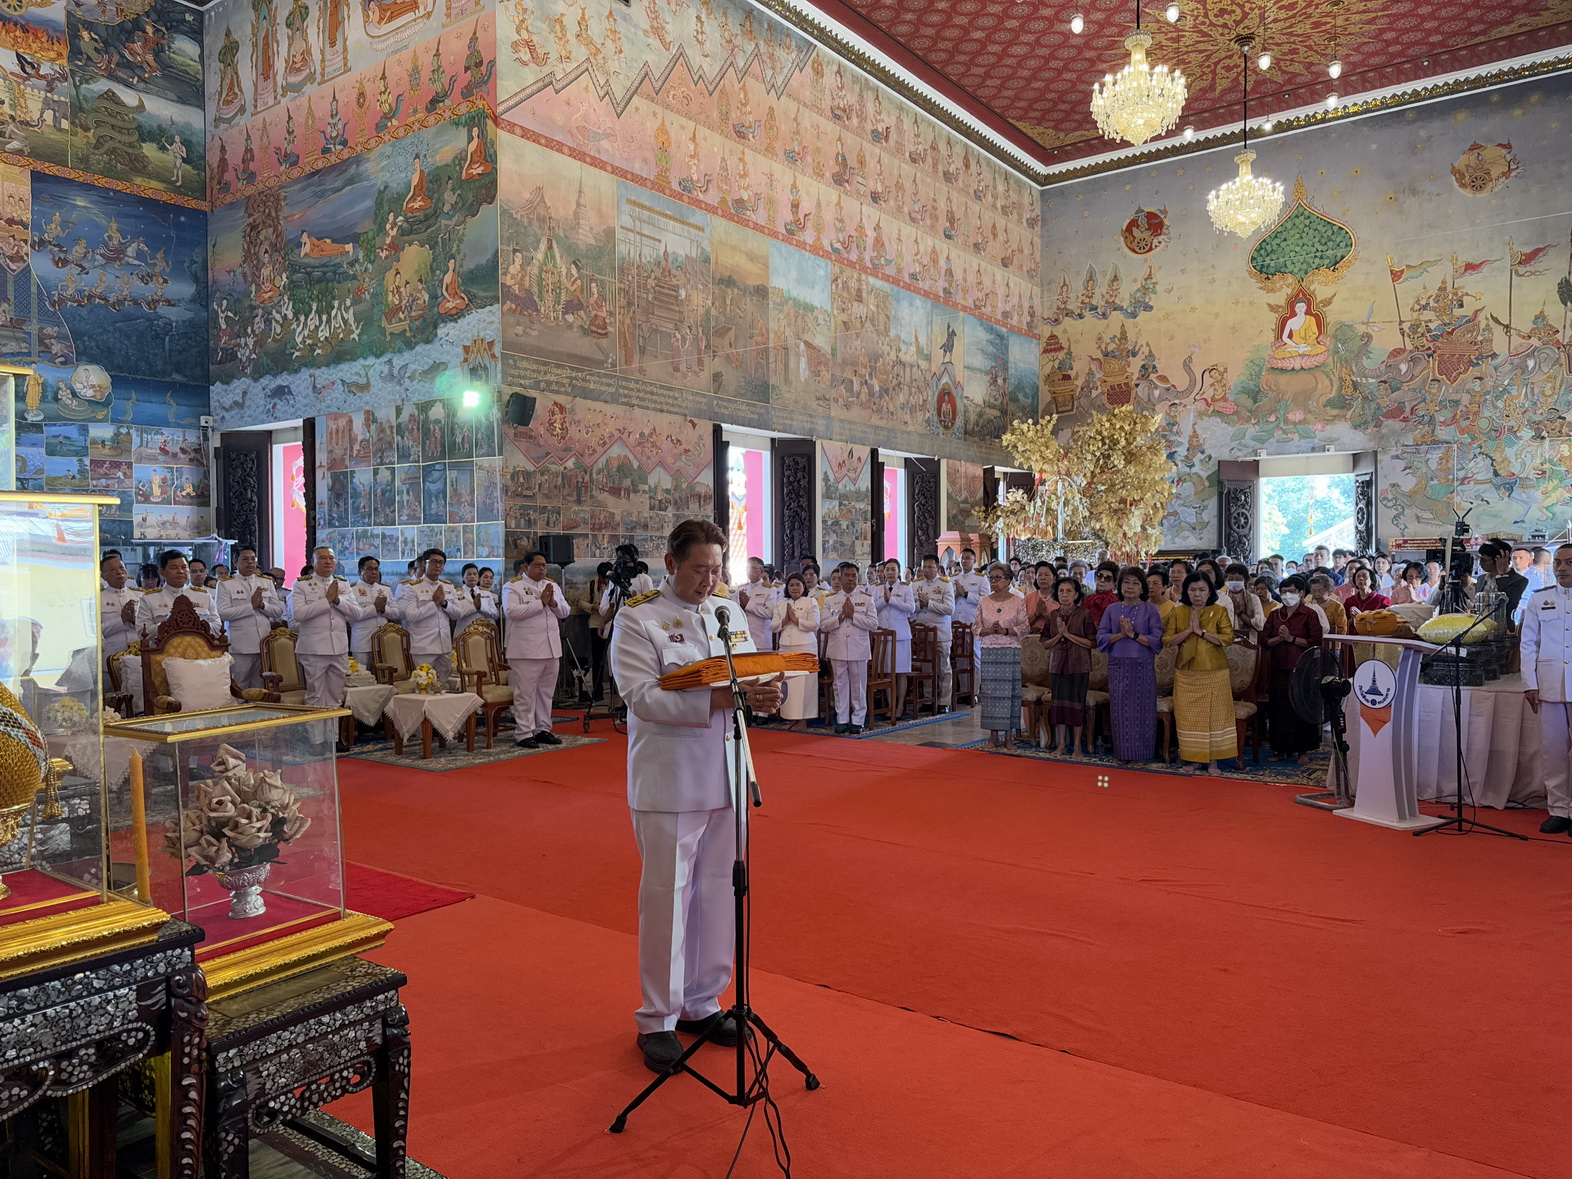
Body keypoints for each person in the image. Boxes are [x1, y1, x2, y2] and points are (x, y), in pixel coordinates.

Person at [608, 519, 782, 1074]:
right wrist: (721, 700)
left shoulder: (727, 612)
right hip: (672, 778)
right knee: (669, 895)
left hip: (727, 771)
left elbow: (747, 674)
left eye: (716, 568)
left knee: (717, 893)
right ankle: (657, 1018)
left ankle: (702, 1001)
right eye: (699, 569)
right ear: (671, 563)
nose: (710, 580)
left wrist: (764, 693)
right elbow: (642, 696)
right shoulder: (639, 619)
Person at [1522, 544, 1572, 835]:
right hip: (1549, 684)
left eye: (1569, 563)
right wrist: (1529, 682)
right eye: (1558, 563)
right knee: (1553, 752)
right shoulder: (1540, 599)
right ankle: (1559, 810)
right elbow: (1529, 643)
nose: (1562, 568)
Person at [1165, 573, 1236, 775]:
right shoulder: (1178, 612)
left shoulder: (1219, 610)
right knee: (1188, 717)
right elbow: (1167, 640)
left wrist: (1202, 632)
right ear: (1186, 592)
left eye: (1202, 590)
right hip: (1186, 672)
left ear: (1210, 591)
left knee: (1215, 717)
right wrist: (1189, 631)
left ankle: (1213, 761)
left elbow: (1228, 638)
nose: (1197, 594)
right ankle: (1193, 759)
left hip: (1214, 671)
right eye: (1192, 590)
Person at [503, 551, 571, 748]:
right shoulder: (513, 586)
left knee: (545, 693)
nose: (542, 569)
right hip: (526, 650)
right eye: (538, 565)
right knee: (525, 694)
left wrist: (553, 603)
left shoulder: (552, 585)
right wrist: (540, 602)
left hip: (551, 648)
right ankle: (524, 732)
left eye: (544, 565)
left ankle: (542, 729)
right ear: (526, 567)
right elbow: (512, 612)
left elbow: (565, 612)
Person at [1097, 567, 1164, 764]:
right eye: (1126, 582)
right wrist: (1120, 634)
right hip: (1118, 665)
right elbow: (1101, 636)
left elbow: (1157, 640)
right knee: (1120, 710)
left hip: (1142, 666)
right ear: (1120, 586)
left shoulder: (1150, 609)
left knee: (1142, 710)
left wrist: (1133, 635)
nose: (1130, 587)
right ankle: (1123, 754)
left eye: (1135, 583)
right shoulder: (1112, 609)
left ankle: (1141, 755)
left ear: (1142, 587)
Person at [287, 546, 364, 708]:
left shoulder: (343, 584)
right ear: (313, 562)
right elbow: (299, 614)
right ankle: (316, 726)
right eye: (322, 558)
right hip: (314, 649)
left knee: (335, 697)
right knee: (315, 696)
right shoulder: (302, 585)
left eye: (331, 558)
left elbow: (358, 614)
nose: (328, 562)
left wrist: (338, 601)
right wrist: (326, 601)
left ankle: (332, 727)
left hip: (339, 648)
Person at [1261, 574, 1324, 765]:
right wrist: (1279, 639)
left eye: (1291, 591)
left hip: (1302, 668)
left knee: (1300, 708)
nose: (1287, 595)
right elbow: (1264, 640)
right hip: (1279, 666)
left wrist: (1291, 639)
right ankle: (1281, 749)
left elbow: (1315, 641)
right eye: (1283, 592)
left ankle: (1303, 751)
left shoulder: (1309, 614)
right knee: (1279, 709)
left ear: (1301, 593)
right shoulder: (1275, 614)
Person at [819, 561, 879, 734]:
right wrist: (839, 618)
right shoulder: (830, 599)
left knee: (858, 685)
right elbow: (823, 625)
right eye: (847, 575)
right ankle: (842, 719)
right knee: (839, 685)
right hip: (837, 647)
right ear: (840, 578)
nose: (851, 579)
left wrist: (853, 616)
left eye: (854, 576)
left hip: (858, 648)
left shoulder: (866, 599)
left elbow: (873, 624)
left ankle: (858, 720)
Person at [217, 545, 286, 689]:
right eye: (245, 559)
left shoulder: (266, 581)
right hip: (241, 645)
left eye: (253, 559)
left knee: (260, 686)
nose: (250, 562)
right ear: (235, 562)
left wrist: (262, 605)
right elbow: (223, 613)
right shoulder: (226, 584)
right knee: (240, 685)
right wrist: (251, 607)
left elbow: (278, 611)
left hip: (263, 644)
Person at [975, 562, 1027, 748]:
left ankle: (1009, 736)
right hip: (989, 650)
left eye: (998, 578)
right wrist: (988, 630)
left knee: (1010, 695)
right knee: (991, 695)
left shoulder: (1018, 601)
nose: (993, 581)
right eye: (991, 578)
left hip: (1010, 650)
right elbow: (975, 626)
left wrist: (1005, 631)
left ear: (1009, 580)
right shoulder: (984, 601)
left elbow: (1024, 627)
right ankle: (993, 735)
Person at [396, 548, 467, 685]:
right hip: (424, 646)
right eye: (434, 562)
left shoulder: (448, 586)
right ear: (424, 563)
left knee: (443, 686)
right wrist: (433, 603)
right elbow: (410, 615)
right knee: (424, 685)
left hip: (444, 645)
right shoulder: (413, 587)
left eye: (441, 563)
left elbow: (459, 614)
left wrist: (444, 603)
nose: (438, 565)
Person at [1043, 576, 1096, 757]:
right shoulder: (1053, 615)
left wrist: (1068, 634)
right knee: (1059, 707)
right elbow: (1045, 644)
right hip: (1057, 665)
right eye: (1061, 591)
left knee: (1076, 706)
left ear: (1076, 594)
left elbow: (1092, 643)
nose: (1065, 595)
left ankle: (1077, 746)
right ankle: (1061, 745)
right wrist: (1059, 636)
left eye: (1069, 591)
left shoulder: (1085, 614)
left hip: (1079, 665)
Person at [772, 573, 820, 730]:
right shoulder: (781, 603)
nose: (795, 588)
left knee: (805, 685)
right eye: (791, 585)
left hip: (805, 647)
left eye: (798, 585)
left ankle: (803, 719)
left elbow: (815, 625)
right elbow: (773, 627)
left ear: (803, 587)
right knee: (788, 685)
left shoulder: (810, 602)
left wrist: (795, 620)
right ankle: (791, 717)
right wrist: (785, 620)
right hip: (786, 647)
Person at [136, 550, 221, 634]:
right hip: (164, 643)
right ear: (162, 572)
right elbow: (142, 631)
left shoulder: (204, 596)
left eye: (184, 567)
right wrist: (168, 625)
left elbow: (218, 627)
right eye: (174, 568)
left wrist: (199, 625)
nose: (180, 571)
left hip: (198, 642)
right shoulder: (148, 598)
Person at [911, 554, 955, 711]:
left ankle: (944, 701)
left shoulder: (945, 584)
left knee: (943, 668)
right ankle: (928, 699)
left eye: (930, 567)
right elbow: (911, 607)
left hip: (940, 632)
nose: (927, 570)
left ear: (937, 568)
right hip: (922, 633)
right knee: (926, 667)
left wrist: (929, 603)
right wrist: (920, 605)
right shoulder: (916, 584)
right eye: (924, 567)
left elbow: (949, 609)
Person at [875, 558, 915, 718]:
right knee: (887, 672)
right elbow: (872, 609)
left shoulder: (906, 588)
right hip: (884, 636)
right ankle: (891, 706)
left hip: (901, 636)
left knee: (901, 673)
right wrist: (884, 600)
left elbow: (910, 608)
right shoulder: (877, 588)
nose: (890, 573)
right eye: (887, 570)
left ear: (898, 572)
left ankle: (900, 706)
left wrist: (891, 600)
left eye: (893, 569)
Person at [348, 555, 401, 671]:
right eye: (370, 569)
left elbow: (396, 613)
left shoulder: (385, 589)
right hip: (362, 642)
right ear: (360, 571)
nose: (374, 572)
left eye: (376, 569)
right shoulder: (351, 590)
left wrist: (383, 610)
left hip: (383, 642)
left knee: (384, 675)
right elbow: (351, 615)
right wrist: (374, 608)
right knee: (361, 675)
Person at [100, 554, 140, 660]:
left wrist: (134, 620)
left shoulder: (140, 596)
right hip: (110, 658)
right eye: (113, 569)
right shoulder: (98, 599)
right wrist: (121, 620)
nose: (119, 572)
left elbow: (150, 627)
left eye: (122, 567)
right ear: (103, 576)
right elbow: (95, 633)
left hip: (138, 656)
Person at [738, 556, 776, 654]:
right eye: (747, 568)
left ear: (761, 571)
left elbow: (770, 613)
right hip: (744, 637)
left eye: (753, 568)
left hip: (761, 639)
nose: (749, 571)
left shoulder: (769, 590)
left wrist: (748, 605)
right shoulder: (742, 589)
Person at [1219, 562, 1265, 644]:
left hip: (1248, 641)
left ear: (1245, 580)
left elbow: (1259, 624)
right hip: (1224, 640)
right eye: (1231, 579)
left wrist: (1239, 612)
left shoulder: (1254, 599)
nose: (1234, 581)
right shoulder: (1220, 598)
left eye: (1238, 579)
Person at [452, 562, 500, 633]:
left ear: (478, 577)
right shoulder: (456, 594)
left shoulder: (486, 593)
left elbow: (496, 615)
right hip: (463, 632)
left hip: (484, 632)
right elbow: (455, 615)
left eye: (475, 574)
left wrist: (481, 607)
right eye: (469, 574)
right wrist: (474, 607)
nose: (472, 576)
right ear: (463, 576)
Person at [1024, 564, 1058, 635]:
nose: (1043, 578)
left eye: (1046, 575)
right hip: (1031, 638)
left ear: (1054, 578)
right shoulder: (1028, 597)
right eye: (1039, 575)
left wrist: (1046, 615)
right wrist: (1036, 614)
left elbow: (1065, 624)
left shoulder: (1059, 597)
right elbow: (1021, 624)